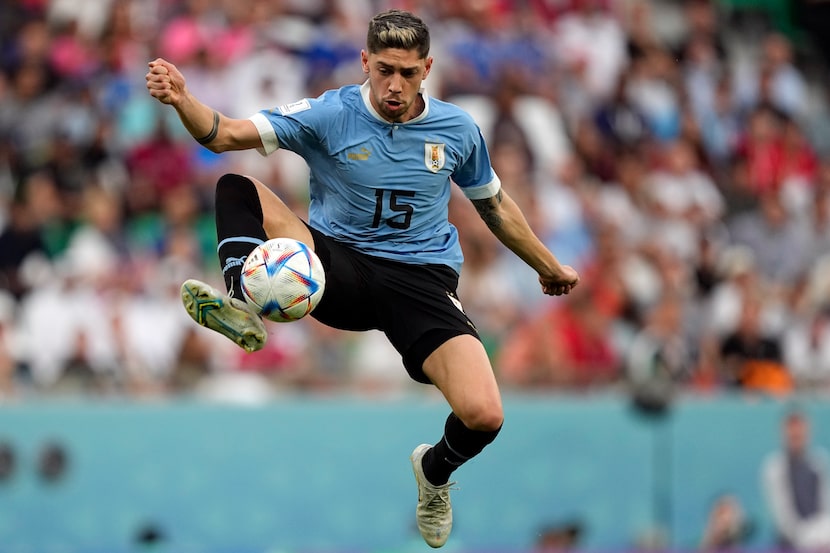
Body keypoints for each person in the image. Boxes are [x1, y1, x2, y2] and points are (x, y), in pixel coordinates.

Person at [145, 9, 579, 548]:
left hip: (421, 281)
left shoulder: (458, 129)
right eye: (384, 71)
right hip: (337, 265)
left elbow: (496, 208)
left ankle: (435, 473)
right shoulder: (330, 113)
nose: (395, 85)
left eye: (408, 72)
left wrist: (547, 265)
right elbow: (224, 134)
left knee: (485, 415)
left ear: (428, 69)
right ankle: (240, 300)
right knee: (236, 187)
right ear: (365, 62)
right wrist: (183, 99)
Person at [761, 409, 830, 551]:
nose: (796, 435)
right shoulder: (774, 467)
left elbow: (826, 504)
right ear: (783, 433)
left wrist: (822, 534)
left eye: (800, 431)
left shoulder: (820, 463)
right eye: (791, 432)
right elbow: (783, 518)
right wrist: (807, 538)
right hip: (791, 544)